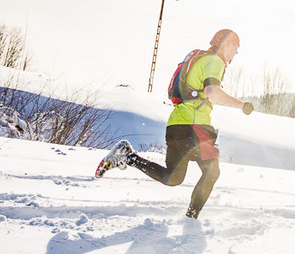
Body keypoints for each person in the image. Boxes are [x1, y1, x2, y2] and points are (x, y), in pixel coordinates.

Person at [95, 28, 254, 219]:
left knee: (173, 178)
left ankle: (128, 156)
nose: (235, 54)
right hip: (197, 128)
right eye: (235, 48)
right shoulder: (215, 61)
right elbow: (212, 91)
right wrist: (242, 105)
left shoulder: (201, 59)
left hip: (177, 125)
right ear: (227, 44)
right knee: (212, 172)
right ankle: (191, 219)